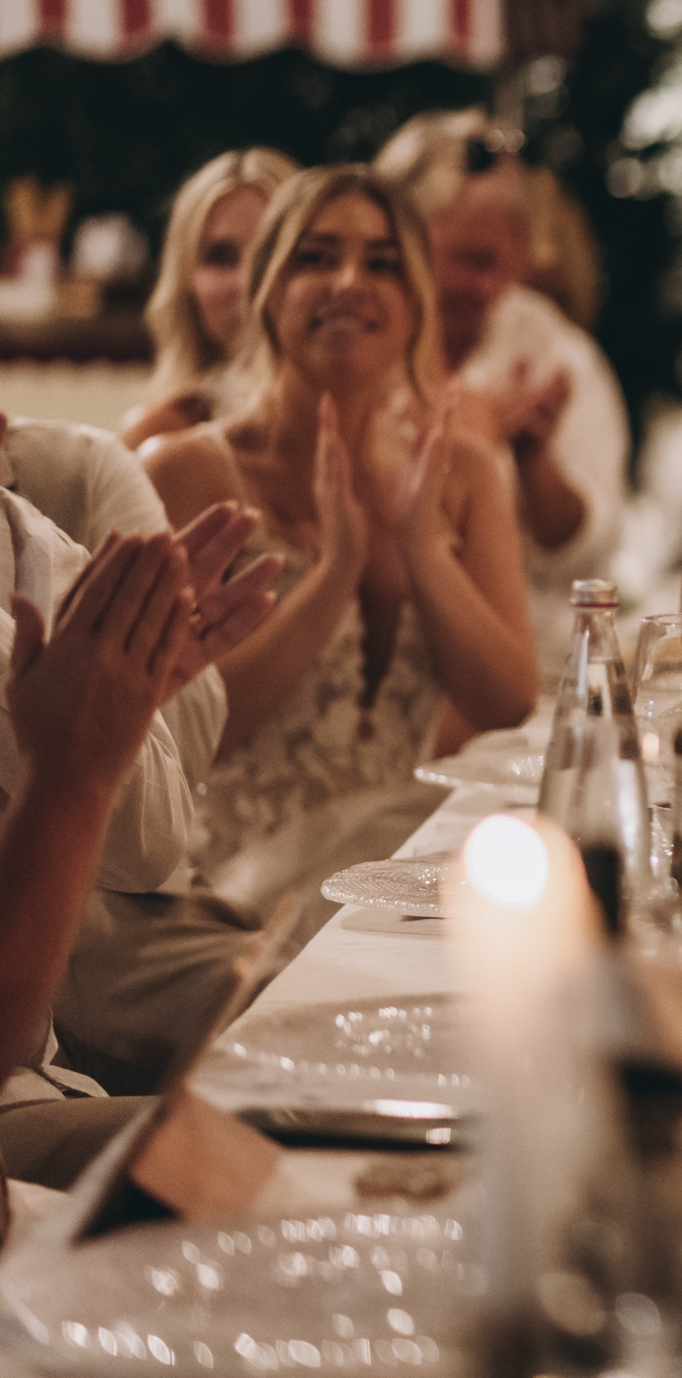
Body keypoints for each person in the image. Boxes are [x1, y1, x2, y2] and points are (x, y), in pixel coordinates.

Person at [139, 166, 537, 923]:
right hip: (233, 895)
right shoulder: (186, 471)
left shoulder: (461, 472)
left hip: (400, 879)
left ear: (414, 304)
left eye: (382, 263)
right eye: (316, 257)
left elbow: (507, 701)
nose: (350, 281)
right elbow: (186, 734)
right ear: (267, 291)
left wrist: (424, 549)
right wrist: (334, 576)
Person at [374, 109, 628, 681]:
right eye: (469, 259)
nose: (488, 287)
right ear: (402, 237)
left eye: (506, 264)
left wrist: (534, 460)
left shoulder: (553, 351)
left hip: (531, 663)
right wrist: (475, 426)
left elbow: (589, 562)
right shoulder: (354, 341)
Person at [1, 532, 195, 1197]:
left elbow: (153, 847)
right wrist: (70, 770)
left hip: (36, 1071)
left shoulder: (28, 536)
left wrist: (95, 738)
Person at [119, 149, 300, 451]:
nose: (247, 283)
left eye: (270, 254)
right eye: (220, 257)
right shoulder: (159, 438)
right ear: (185, 284)